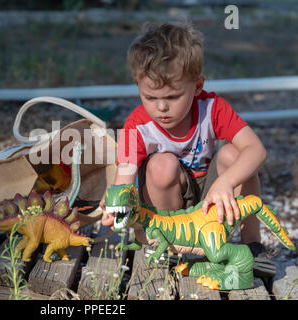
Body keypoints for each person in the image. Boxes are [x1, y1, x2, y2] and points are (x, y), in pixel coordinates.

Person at [100, 22, 275, 277]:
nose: (161, 107)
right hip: (167, 211)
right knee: (161, 166)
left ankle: (252, 245)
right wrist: (115, 208)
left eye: (172, 97)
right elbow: (122, 183)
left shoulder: (212, 108)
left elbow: (257, 150)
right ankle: (170, 250)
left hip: (210, 200)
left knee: (235, 156)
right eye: (150, 97)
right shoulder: (134, 127)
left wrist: (226, 181)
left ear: (198, 86)